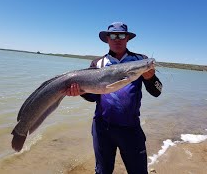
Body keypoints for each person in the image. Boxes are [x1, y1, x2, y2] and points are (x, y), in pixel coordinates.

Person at [66, 22, 163, 174]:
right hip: (102, 128)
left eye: (121, 35)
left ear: (127, 39)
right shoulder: (97, 63)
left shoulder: (140, 60)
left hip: (131, 128)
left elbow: (158, 91)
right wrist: (81, 92)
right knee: (102, 171)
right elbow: (93, 97)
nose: (117, 39)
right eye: (113, 35)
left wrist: (151, 79)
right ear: (107, 39)